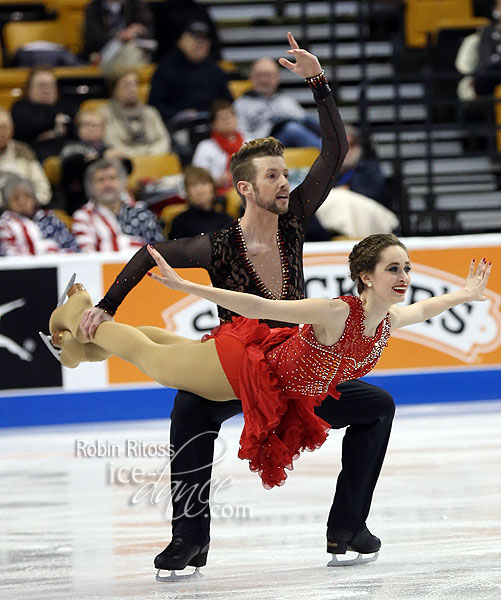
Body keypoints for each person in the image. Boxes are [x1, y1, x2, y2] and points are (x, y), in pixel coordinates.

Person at [76, 33, 392, 578]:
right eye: (273, 175)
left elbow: (334, 152)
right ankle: (187, 539)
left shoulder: (293, 223)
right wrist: (106, 305)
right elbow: (149, 253)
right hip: (237, 370)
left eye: (284, 172)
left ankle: (347, 526)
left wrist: (318, 83)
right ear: (246, 189)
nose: (284, 180)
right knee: (189, 413)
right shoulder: (216, 245)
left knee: (376, 407)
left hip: (296, 368)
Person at [48, 238, 491, 492]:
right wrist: (188, 286)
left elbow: (428, 308)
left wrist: (466, 295)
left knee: (169, 347)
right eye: (394, 269)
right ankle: (78, 315)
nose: (404, 278)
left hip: (275, 386)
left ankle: (80, 349)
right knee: (155, 360)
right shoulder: (338, 312)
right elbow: (259, 304)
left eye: (407, 269)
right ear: (366, 277)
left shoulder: (387, 321)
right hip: (243, 372)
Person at [148, 21, 232, 127]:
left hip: (212, 125)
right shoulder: (166, 68)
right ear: (181, 41)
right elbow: (155, 105)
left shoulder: (215, 70)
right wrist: (178, 115)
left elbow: (227, 102)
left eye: (204, 40)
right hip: (177, 126)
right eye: (195, 38)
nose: (200, 43)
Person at [71, 157, 164, 252]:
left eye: (112, 178)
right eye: (100, 180)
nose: (107, 184)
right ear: (91, 186)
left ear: (122, 181)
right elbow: (86, 257)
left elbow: (159, 249)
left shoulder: (140, 210)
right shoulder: (83, 216)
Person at [234, 57, 321, 147]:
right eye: (259, 75)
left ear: (277, 78)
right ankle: (330, 155)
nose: (264, 80)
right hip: (260, 147)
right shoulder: (241, 104)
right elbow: (240, 134)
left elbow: (304, 120)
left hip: (288, 144)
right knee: (292, 129)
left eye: (269, 75)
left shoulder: (286, 100)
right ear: (251, 77)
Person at [59, 109, 132, 215]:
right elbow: (74, 168)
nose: (91, 129)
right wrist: (103, 157)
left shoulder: (108, 148)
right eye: (86, 125)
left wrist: (122, 159)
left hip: (113, 202)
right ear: (78, 128)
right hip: (81, 202)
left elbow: (128, 168)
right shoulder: (72, 147)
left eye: (95, 125)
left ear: (103, 130)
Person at [99, 69, 171, 156]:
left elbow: (164, 140)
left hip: (154, 159)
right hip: (124, 162)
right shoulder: (104, 113)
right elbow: (111, 143)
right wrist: (137, 156)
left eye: (135, 84)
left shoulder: (151, 112)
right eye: (126, 85)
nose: (132, 89)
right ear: (114, 89)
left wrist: (150, 154)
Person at [0, 175, 78, 255]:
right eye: (15, 198)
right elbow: (8, 254)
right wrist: (45, 248)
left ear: (34, 198)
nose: (22, 202)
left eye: (27, 196)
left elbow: (71, 248)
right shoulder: (4, 225)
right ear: (7, 204)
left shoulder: (50, 219)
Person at [11, 67, 75, 161]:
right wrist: (55, 122)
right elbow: (29, 127)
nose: (46, 90)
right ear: (29, 88)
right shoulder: (19, 107)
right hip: (31, 157)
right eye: (41, 85)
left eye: (51, 85)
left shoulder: (66, 105)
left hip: (65, 155)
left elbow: (73, 127)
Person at [83, 0, 155, 72]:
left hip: (133, 48)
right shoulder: (94, 7)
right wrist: (119, 36)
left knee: (131, 51)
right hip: (104, 52)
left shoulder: (134, 3)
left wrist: (136, 31)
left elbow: (148, 27)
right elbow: (93, 38)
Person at [0, 109, 52, 207]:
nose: (1, 133)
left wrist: (30, 203)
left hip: (29, 208)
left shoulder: (24, 150)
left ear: (12, 130)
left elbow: (42, 187)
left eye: (4, 128)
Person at [191, 100, 244, 197]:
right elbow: (198, 178)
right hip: (218, 195)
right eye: (222, 117)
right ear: (213, 124)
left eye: (231, 115)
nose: (228, 120)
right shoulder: (205, 147)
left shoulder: (249, 142)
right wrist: (215, 181)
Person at [168, 166, 232, 239]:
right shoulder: (179, 223)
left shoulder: (226, 221)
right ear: (187, 192)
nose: (200, 190)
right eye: (194, 185)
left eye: (204, 184)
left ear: (213, 188)